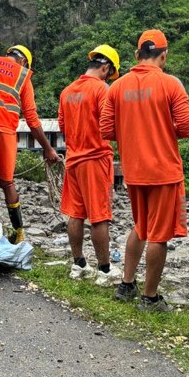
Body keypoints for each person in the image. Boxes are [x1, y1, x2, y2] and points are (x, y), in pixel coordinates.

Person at [99, 30, 189, 312]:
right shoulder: (171, 85)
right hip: (164, 171)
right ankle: (150, 297)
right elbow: (188, 128)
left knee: (141, 227)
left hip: (133, 171)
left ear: (136, 55)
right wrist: (161, 130)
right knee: (158, 235)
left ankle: (126, 284)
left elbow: (106, 129)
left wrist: (134, 132)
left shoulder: (117, 88)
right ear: (164, 55)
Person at [0, 45, 59, 243]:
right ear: (24, 61)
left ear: (9, 54)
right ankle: (19, 233)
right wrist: (48, 149)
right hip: (7, 132)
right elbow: (31, 117)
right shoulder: (23, 75)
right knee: (8, 182)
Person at [59, 45, 121, 286]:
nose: (108, 77)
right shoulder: (101, 89)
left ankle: (79, 265)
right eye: (109, 73)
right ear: (105, 67)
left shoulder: (67, 91)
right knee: (99, 216)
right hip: (95, 158)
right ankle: (104, 270)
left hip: (73, 159)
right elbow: (108, 125)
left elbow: (63, 127)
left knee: (76, 214)